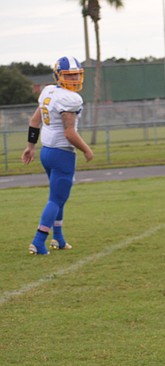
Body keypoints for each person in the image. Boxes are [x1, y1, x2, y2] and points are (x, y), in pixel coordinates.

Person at [21, 55, 93, 255]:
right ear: (58, 75)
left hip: (47, 152)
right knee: (55, 198)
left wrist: (30, 146)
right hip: (62, 153)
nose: (74, 80)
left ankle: (58, 238)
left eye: (77, 75)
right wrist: (87, 149)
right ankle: (38, 240)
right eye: (69, 76)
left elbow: (34, 121)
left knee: (59, 197)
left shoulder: (49, 92)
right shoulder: (70, 98)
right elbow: (70, 133)